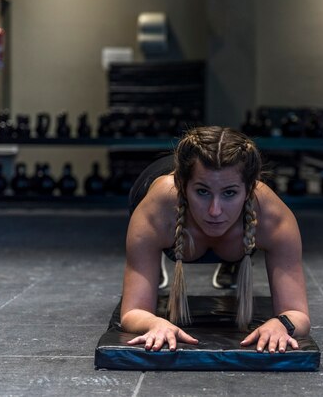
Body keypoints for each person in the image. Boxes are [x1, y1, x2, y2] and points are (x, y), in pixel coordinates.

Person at [120, 126, 310, 353]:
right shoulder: (156, 212)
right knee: (151, 252)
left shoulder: (273, 218)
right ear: (183, 186)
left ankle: (232, 258)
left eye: (230, 193)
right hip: (169, 214)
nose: (214, 210)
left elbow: (298, 314)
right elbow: (132, 312)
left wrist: (282, 324)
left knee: (230, 239)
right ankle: (154, 259)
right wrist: (154, 322)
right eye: (202, 192)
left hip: (236, 231)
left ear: (249, 189)